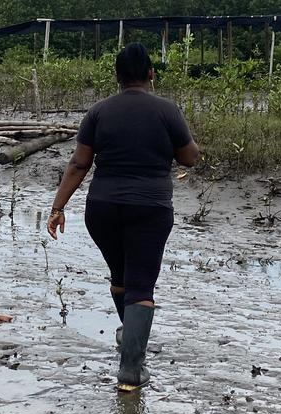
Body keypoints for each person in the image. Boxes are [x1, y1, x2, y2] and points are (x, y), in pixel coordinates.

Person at [47, 42, 200, 390]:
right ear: (150, 73)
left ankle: (130, 338)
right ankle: (131, 369)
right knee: (141, 286)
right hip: (150, 208)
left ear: (116, 77)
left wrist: (57, 208)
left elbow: (78, 164)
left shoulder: (98, 112)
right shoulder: (167, 111)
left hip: (102, 209)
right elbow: (189, 158)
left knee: (121, 277)